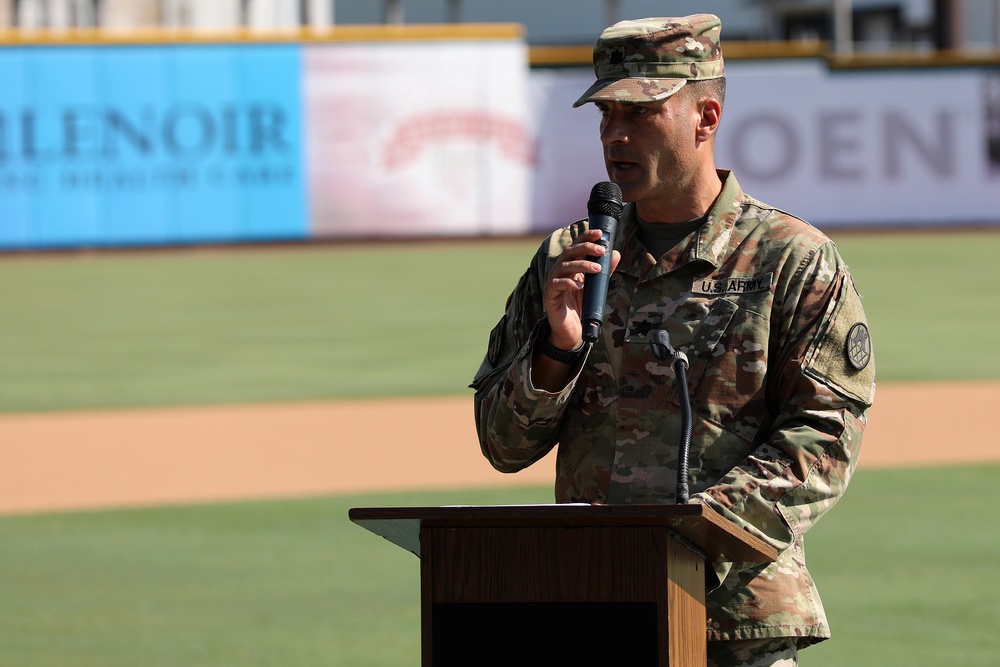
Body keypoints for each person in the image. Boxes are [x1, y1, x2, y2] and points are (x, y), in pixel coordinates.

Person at [470, 14, 876, 667]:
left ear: (705, 116)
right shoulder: (568, 259)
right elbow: (501, 444)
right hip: (596, 611)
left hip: (736, 624)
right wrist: (558, 352)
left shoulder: (788, 260)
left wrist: (683, 540)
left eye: (639, 113)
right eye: (604, 115)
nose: (614, 135)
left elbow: (823, 438)